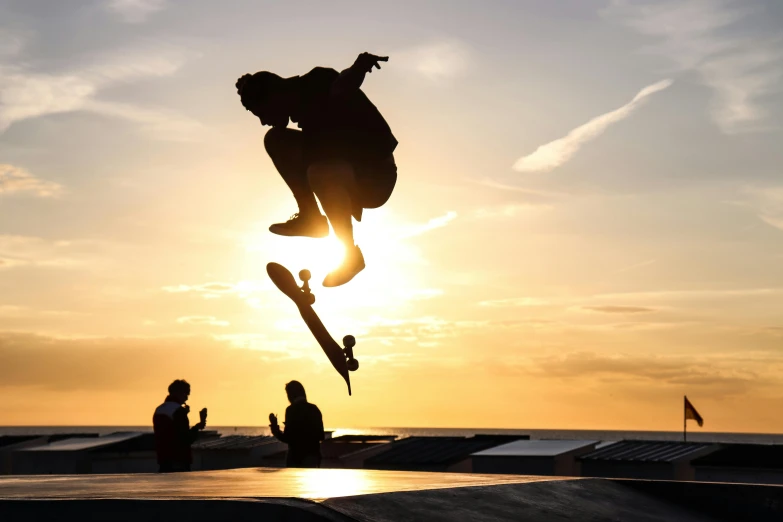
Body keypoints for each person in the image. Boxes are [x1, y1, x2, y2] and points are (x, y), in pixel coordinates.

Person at [236, 52, 398, 287]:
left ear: (274, 98)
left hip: (375, 176)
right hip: (344, 167)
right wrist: (251, 86)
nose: (262, 120)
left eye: (260, 112)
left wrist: (358, 68)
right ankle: (310, 217)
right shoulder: (301, 107)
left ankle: (350, 255)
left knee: (320, 172)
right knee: (276, 140)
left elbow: (341, 85)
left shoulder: (316, 84)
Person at [152, 379, 207, 472]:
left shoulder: (159, 409)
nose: (187, 398)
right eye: (186, 394)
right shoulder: (178, 411)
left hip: (163, 458)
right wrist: (197, 427)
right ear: (179, 393)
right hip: (179, 460)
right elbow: (185, 438)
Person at [269, 380, 325, 468]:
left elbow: (287, 438)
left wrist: (274, 427)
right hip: (312, 456)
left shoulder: (291, 410)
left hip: (295, 458)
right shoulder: (314, 409)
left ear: (291, 395)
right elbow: (321, 436)